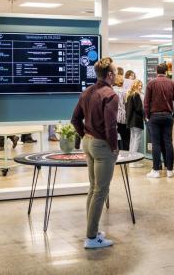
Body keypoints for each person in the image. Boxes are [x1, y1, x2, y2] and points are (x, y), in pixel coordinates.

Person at [71, 57, 118, 249]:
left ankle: (93, 230)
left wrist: (84, 135)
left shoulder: (87, 92)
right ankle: (91, 237)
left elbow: (75, 119)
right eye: (115, 72)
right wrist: (114, 146)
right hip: (101, 146)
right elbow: (110, 126)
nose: (116, 76)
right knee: (101, 190)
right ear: (109, 74)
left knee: (93, 188)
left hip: (88, 143)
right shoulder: (110, 95)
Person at [144, 62, 174, 178]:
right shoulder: (172, 83)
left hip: (154, 116)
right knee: (168, 142)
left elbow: (146, 102)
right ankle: (169, 170)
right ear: (166, 72)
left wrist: (148, 116)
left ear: (156, 71)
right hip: (168, 115)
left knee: (156, 143)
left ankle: (156, 171)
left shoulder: (151, 83)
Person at [126, 79, 145, 168]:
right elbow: (139, 109)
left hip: (131, 121)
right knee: (136, 140)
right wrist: (145, 115)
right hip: (136, 120)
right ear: (135, 86)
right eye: (139, 85)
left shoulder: (129, 95)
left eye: (141, 85)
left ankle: (130, 160)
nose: (141, 87)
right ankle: (133, 162)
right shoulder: (136, 95)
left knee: (132, 140)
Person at [113, 75, 130, 151]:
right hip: (123, 118)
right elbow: (127, 104)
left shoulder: (111, 90)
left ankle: (116, 157)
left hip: (113, 117)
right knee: (126, 138)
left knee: (114, 138)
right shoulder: (125, 91)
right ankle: (126, 158)